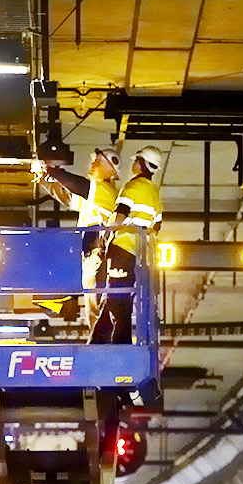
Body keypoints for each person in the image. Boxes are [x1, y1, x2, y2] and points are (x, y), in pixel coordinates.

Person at [32, 146, 120, 324]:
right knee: (92, 302)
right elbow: (66, 196)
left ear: (111, 168)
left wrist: (52, 170)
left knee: (96, 302)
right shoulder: (92, 195)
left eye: (98, 160)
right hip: (88, 256)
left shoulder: (106, 191)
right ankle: (94, 336)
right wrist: (43, 178)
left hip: (99, 256)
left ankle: (100, 343)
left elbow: (78, 185)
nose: (92, 163)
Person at [91, 146, 164, 344]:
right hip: (137, 256)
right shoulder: (154, 193)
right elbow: (156, 227)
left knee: (116, 301)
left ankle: (121, 348)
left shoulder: (132, 187)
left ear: (140, 163)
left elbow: (119, 216)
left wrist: (104, 232)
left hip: (121, 250)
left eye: (136, 159)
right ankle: (96, 344)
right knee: (114, 300)